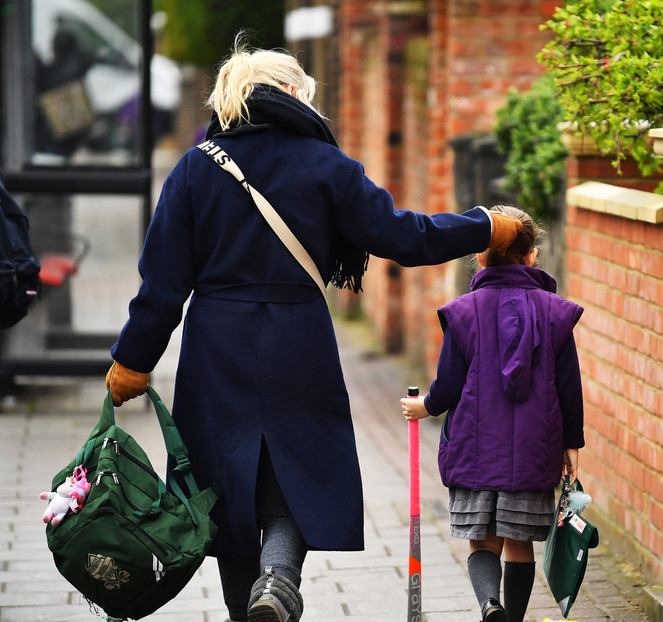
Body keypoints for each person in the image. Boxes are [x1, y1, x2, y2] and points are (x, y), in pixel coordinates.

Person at [104, 36, 522, 622]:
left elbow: (162, 285)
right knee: (299, 472)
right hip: (297, 338)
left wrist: (132, 361)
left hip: (215, 346)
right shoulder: (327, 166)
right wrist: (484, 227)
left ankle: (251, 603)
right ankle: (278, 580)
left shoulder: (194, 171)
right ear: (293, 95)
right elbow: (406, 236)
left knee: (222, 485)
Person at [401, 206, 584, 622]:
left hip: (474, 450)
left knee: (482, 544)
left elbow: (447, 385)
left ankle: (489, 605)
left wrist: (423, 407)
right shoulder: (556, 313)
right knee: (519, 543)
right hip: (535, 450)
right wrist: (572, 441)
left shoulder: (464, 313)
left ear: (479, 257)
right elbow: (569, 387)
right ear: (532, 255)